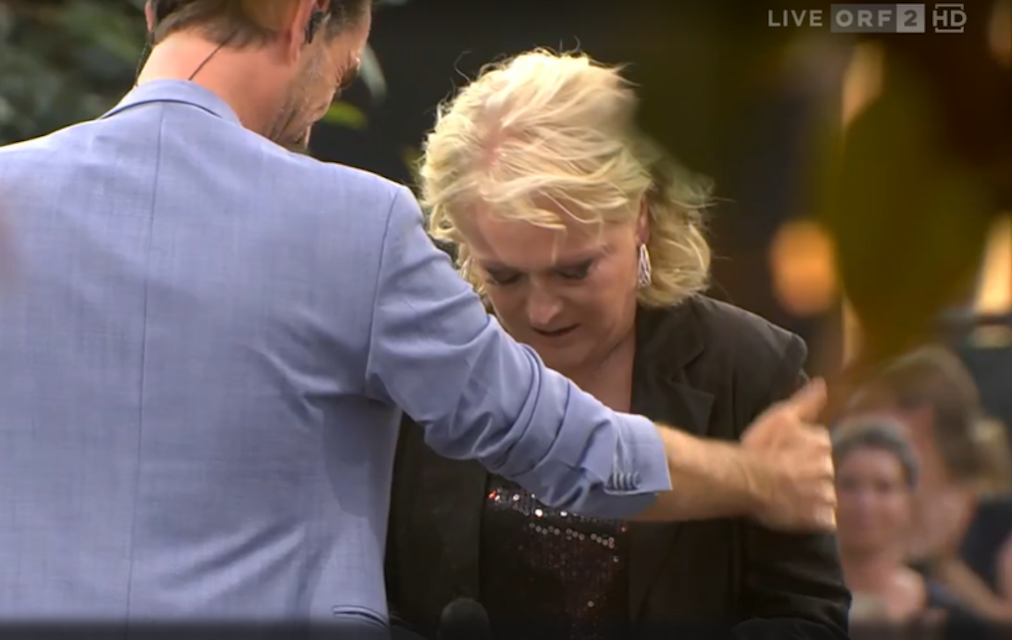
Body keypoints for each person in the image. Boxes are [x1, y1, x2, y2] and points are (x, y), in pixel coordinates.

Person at [0, 2, 835, 638]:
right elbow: (558, 447)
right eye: (342, 60)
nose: (329, 98)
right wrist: (749, 476)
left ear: (153, 15)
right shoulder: (358, 226)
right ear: (304, 21)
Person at [384, 50, 849, 640]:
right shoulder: (431, 367)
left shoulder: (749, 367)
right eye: (505, 276)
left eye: (574, 271)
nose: (543, 310)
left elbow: (810, 618)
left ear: (641, 218)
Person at [843, 345, 1012, 622]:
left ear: (921, 419)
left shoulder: (1000, 525)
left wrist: (945, 571)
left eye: (871, 410)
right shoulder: (865, 516)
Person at [833, 418, 988, 639]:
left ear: (908, 500)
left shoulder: (951, 619)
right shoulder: (795, 607)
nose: (865, 504)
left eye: (883, 487)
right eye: (849, 485)